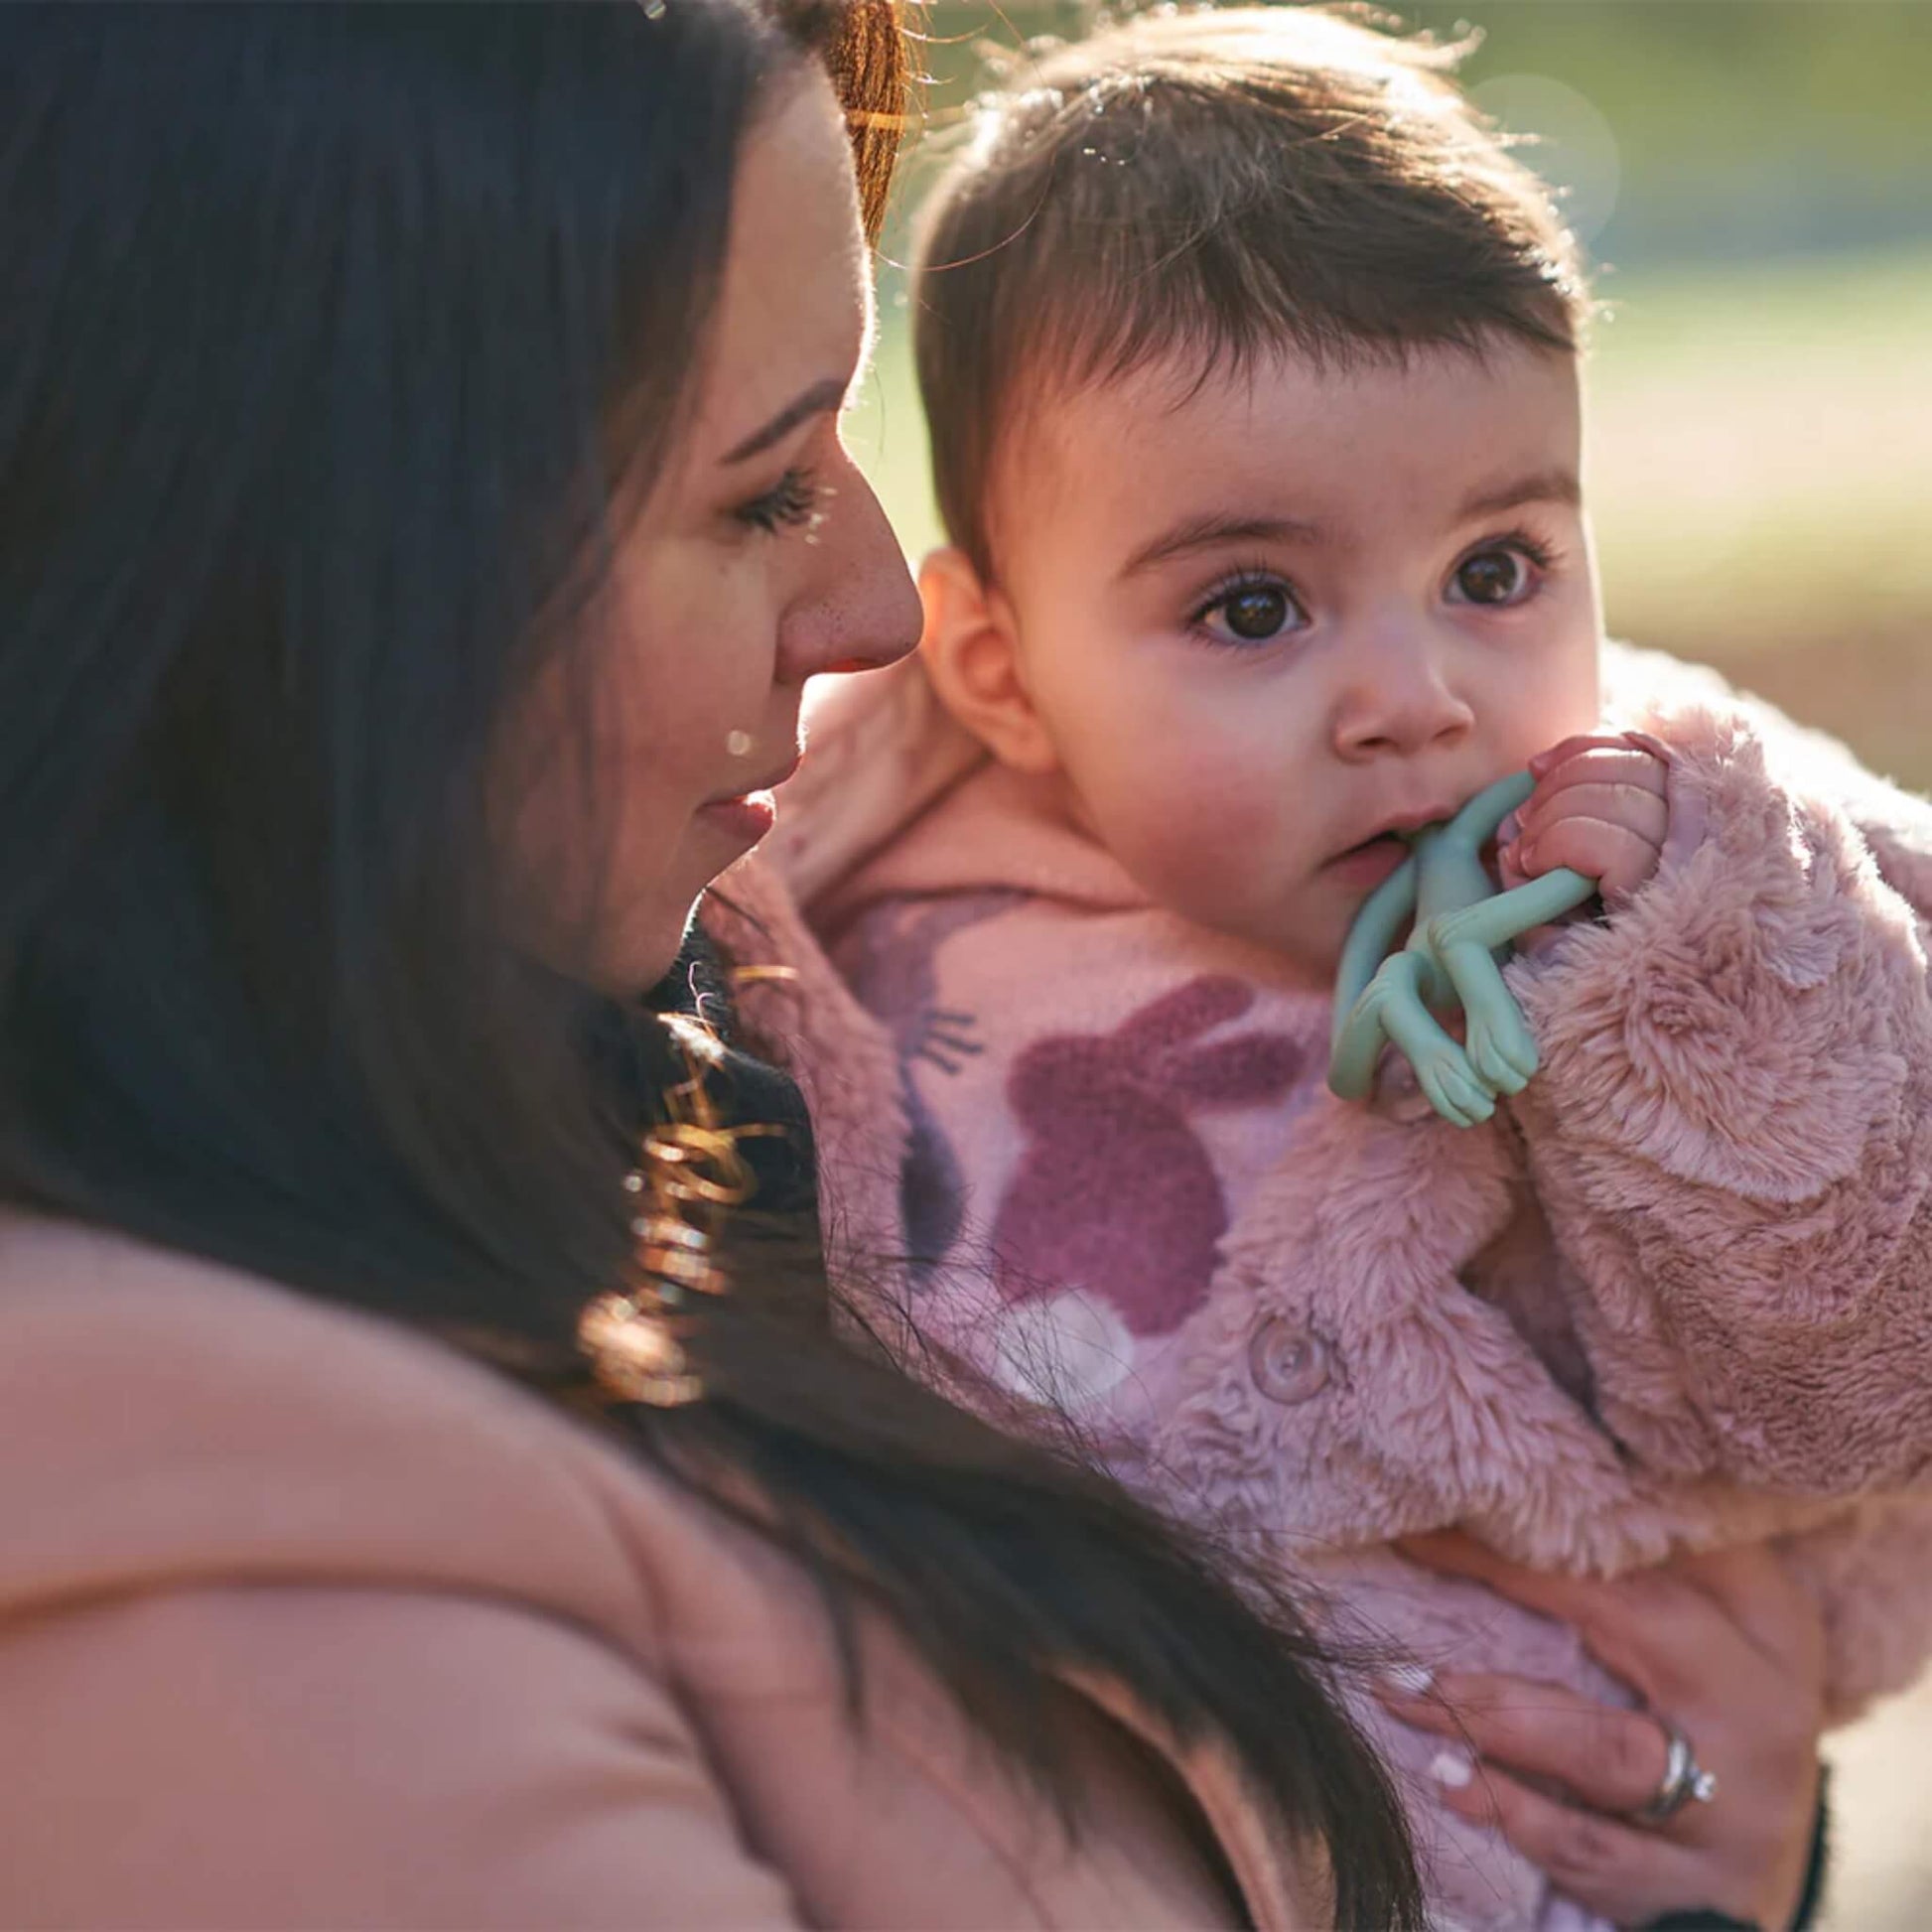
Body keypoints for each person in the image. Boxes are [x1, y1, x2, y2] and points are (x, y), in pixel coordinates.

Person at [0, 4, 1829, 1928]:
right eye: (760, 488)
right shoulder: (227, 1574)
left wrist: (1689, 1841)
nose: (871, 605)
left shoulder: (682, 1073)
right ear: (303, 564)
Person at [726, 6, 1932, 1927]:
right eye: (1253, 605)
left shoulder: (1662, 882)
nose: (1413, 701)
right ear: (1000, 670)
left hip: (1474, 1818)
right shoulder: (806, 891)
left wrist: (1691, 974)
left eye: (1496, 566)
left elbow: (1846, 1339)